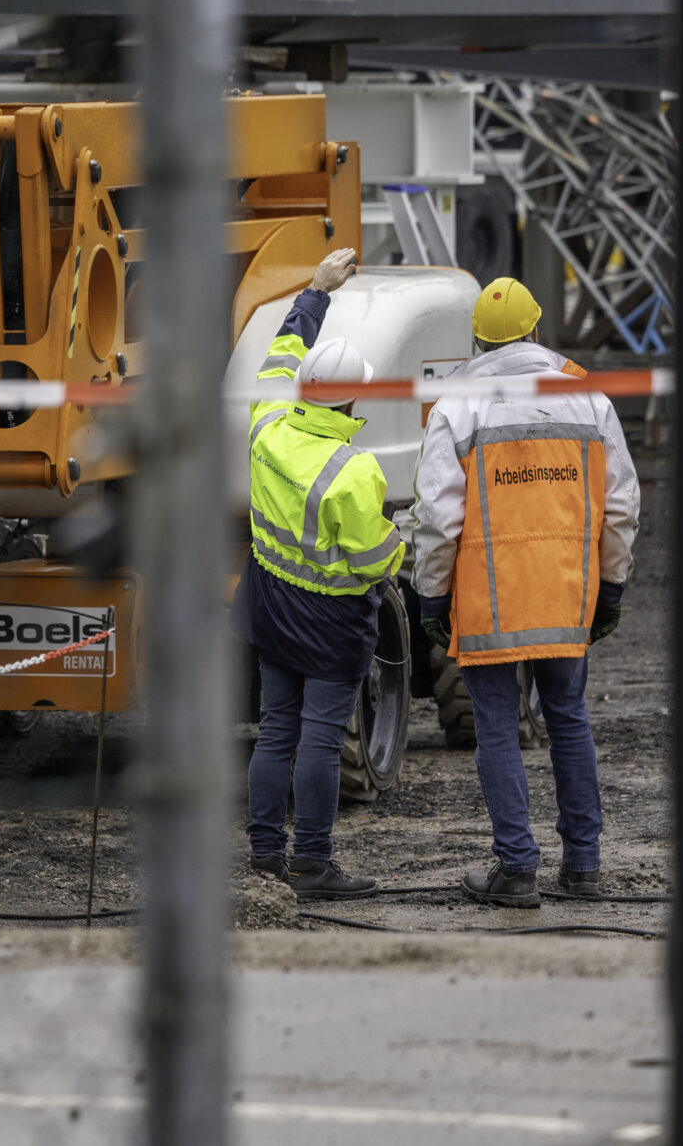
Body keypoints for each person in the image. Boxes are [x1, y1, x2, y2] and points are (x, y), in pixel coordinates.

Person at [411, 277, 638, 908]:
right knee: (568, 719)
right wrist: (611, 585)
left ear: (477, 340)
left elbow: (436, 517)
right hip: (567, 595)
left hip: (491, 601)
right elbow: (621, 505)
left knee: (497, 729)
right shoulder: (587, 396)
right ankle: (584, 866)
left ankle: (517, 870)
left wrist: (431, 597)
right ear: (538, 332)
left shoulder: (459, 404)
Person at [236, 247, 406, 900]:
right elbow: (370, 561)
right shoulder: (354, 470)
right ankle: (311, 865)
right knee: (320, 738)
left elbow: (281, 352)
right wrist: (397, 542)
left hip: (271, 603)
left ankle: (264, 850)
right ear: (353, 396)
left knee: (276, 727)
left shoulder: (267, 423)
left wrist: (316, 290)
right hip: (331, 621)